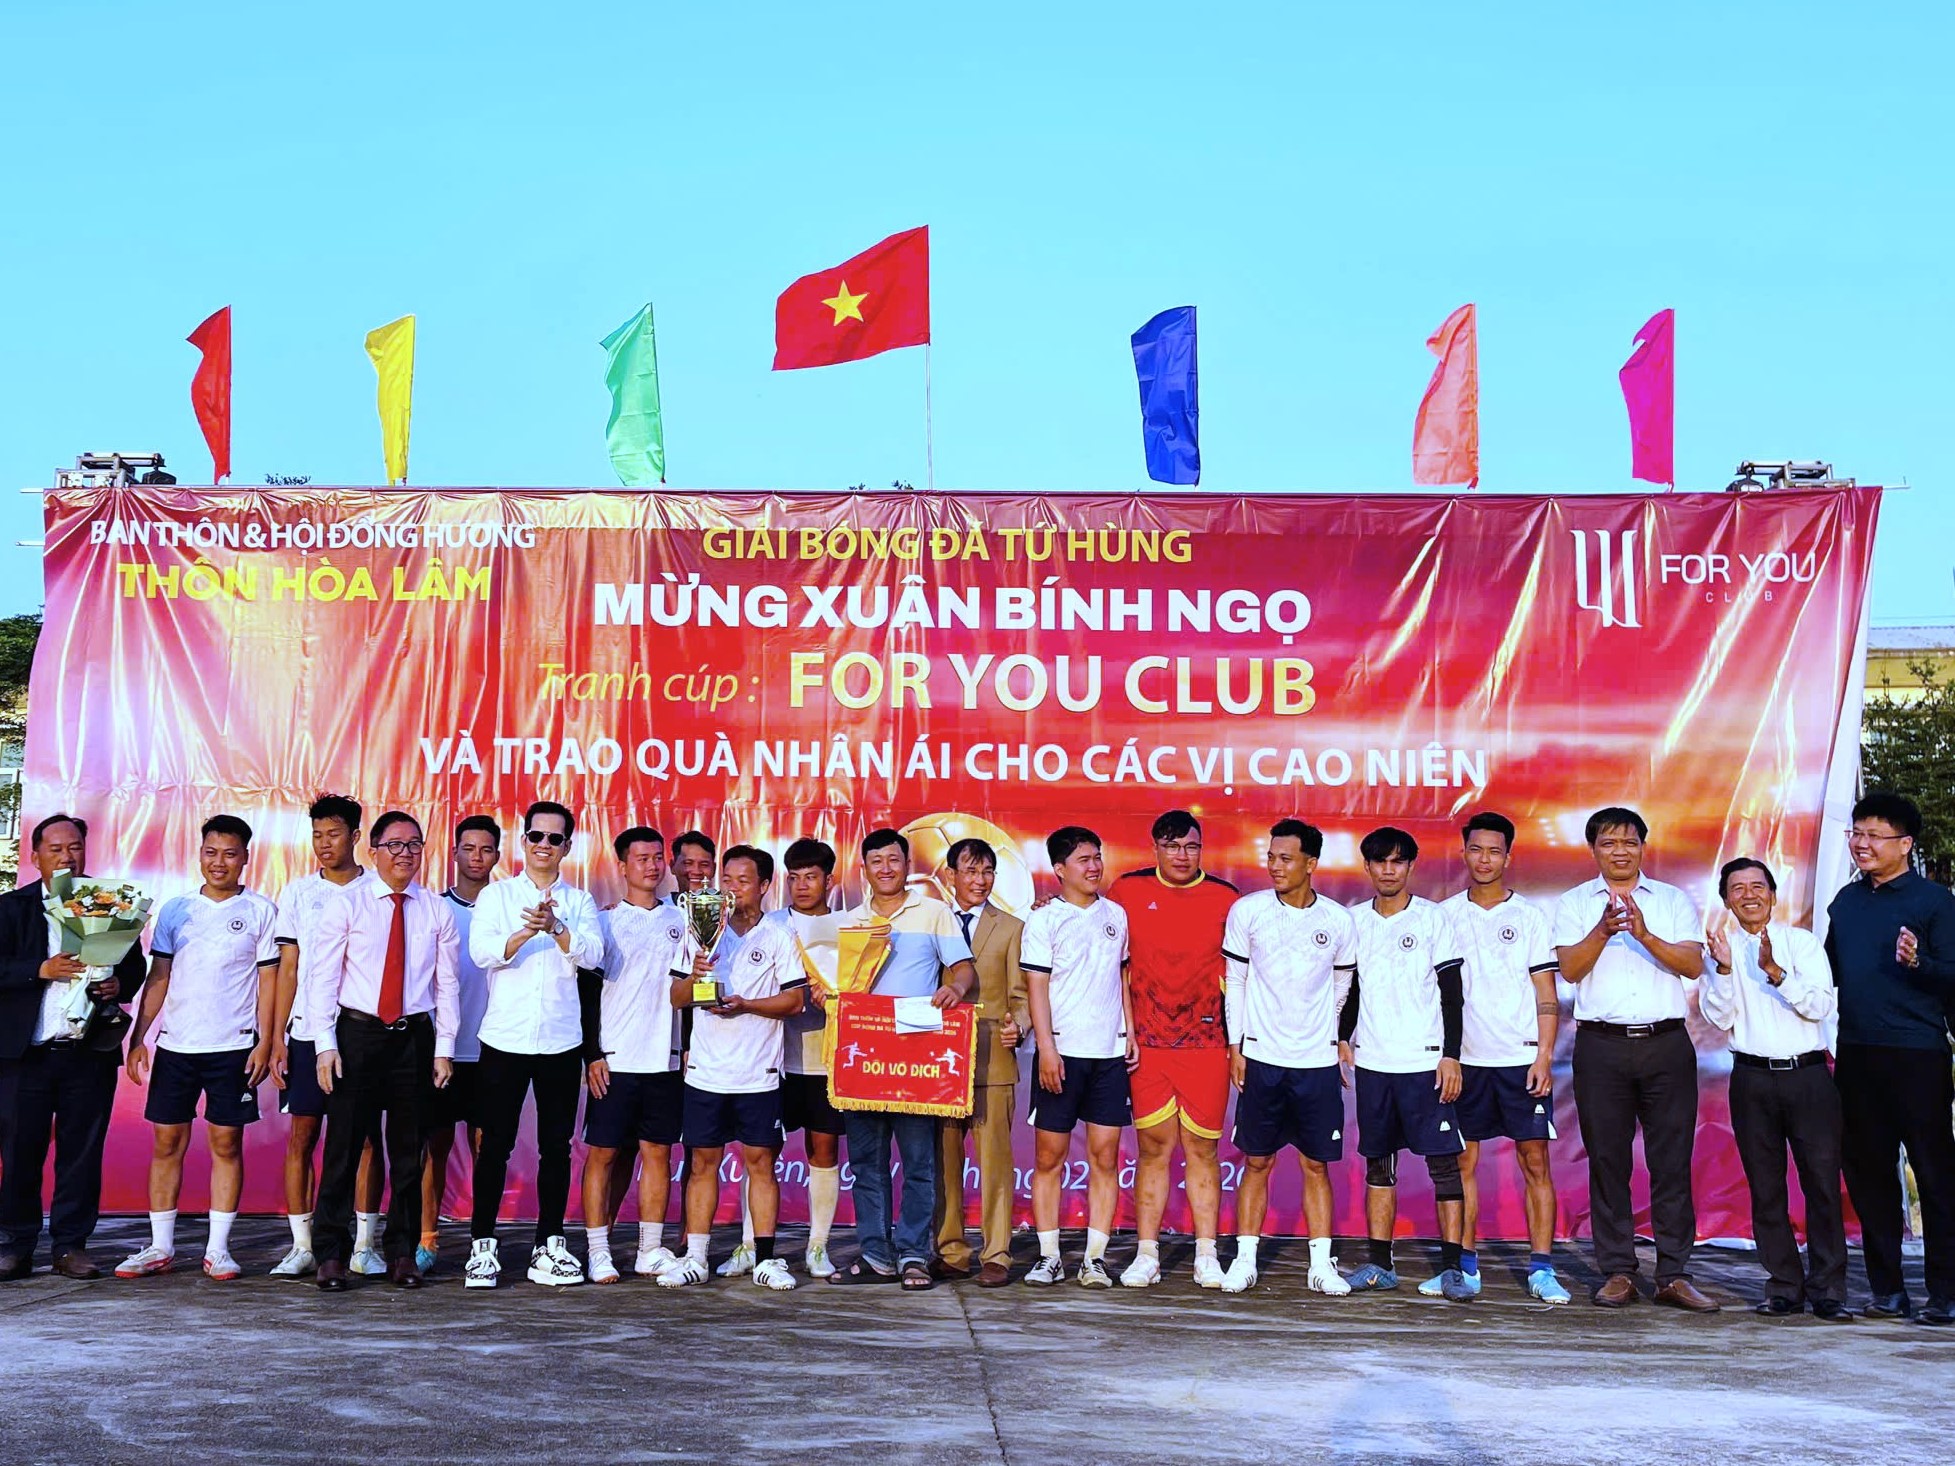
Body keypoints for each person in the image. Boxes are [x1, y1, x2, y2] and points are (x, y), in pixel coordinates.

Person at [1552, 806, 1716, 1311]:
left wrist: (1644, 934)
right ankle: (1618, 1270)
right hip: (1601, 1046)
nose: (1619, 851)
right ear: (1594, 850)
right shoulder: (1574, 903)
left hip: (1666, 1044)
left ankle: (1674, 1274)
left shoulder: (1671, 900)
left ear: (1643, 847)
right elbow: (1570, 969)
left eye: (1629, 842)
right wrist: (1603, 931)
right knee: (1608, 1160)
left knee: (1672, 1161)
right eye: (1608, 843)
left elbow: (1692, 965)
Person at [117, 815, 280, 1281]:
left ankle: (218, 1250)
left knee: (226, 1142)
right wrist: (139, 1037)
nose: (219, 862)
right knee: (167, 1142)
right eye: (211, 852)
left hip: (234, 1046)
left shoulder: (260, 911)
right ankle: (160, 1247)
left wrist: (267, 1042)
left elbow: (269, 982)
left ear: (245, 857)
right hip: (177, 1047)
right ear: (200, 854)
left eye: (229, 853)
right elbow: (159, 975)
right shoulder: (176, 909)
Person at [308, 812, 461, 1291]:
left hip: (413, 1039)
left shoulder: (435, 909)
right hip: (357, 1036)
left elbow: (447, 985)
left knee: (409, 1154)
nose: (405, 854)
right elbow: (322, 977)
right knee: (344, 1149)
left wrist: (444, 1049)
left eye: (414, 845)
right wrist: (325, 1045)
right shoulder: (348, 904)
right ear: (373, 850)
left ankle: (402, 1254)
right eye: (394, 844)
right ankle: (331, 1254)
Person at [0, 815, 147, 1280]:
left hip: (87, 1053)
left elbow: (135, 967)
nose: (67, 857)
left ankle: (70, 1246)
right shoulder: (11, 908)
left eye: (75, 847)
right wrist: (39, 970)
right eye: (56, 849)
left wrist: (118, 985)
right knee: (19, 1152)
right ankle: (15, 1245)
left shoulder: (108, 904)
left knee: (81, 1153)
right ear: (35, 856)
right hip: (26, 1055)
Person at [1827, 791, 1955, 1323]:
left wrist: (1920, 962)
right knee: (1868, 1174)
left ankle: (1945, 1293)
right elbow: (1829, 974)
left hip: (1917, 1055)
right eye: (1856, 833)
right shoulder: (1845, 902)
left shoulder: (1935, 902)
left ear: (1904, 844)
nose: (1862, 843)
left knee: (1934, 1173)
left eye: (1874, 835)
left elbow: (1952, 974)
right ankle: (1887, 1290)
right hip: (1857, 1053)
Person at [464, 800, 603, 1289]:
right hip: (504, 1038)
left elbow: (594, 956)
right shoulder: (497, 896)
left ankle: (550, 1243)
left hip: (561, 1041)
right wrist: (527, 930)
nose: (545, 845)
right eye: (537, 836)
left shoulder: (580, 901)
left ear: (567, 846)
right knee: (494, 1145)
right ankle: (482, 1246)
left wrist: (558, 928)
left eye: (554, 838)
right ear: (524, 841)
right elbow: (482, 953)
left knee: (556, 1148)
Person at [1701, 857, 1848, 1320]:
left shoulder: (1801, 943)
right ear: (1726, 900)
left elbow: (1820, 1006)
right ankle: (1784, 1286)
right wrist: (1725, 971)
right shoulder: (1720, 951)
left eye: (1757, 886)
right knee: (1765, 1187)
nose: (1749, 895)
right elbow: (1718, 1018)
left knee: (1821, 1184)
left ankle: (1829, 1289)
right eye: (1738, 888)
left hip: (1808, 1076)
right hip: (1751, 1078)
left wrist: (1777, 973)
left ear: (1772, 893)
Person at [828, 828, 975, 1290]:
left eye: (894, 860)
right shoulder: (848, 922)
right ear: (864, 869)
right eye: (877, 861)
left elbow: (963, 968)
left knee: (918, 1164)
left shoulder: (933, 912)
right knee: (866, 1163)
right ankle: (876, 1254)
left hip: (916, 1057)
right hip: (862, 1059)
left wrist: (956, 987)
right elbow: (834, 984)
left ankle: (913, 1254)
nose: (886, 868)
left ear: (907, 866)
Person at [1219, 818, 1356, 1297]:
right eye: (1271, 857)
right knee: (1257, 1162)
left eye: (1286, 858)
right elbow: (1235, 982)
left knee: (1316, 1165)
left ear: (1310, 863)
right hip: (1262, 1059)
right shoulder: (1248, 912)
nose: (1275, 866)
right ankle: (1245, 1260)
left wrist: (1329, 1037)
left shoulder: (1337, 920)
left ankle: (1320, 1265)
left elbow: (1342, 988)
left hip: (1316, 1065)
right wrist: (1237, 1045)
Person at [659, 845, 804, 1291]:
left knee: (760, 1163)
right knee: (703, 1163)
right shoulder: (700, 929)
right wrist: (695, 974)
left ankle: (765, 1258)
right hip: (706, 1071)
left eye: (743, 881)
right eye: (727, 880)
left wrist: (747, 1005)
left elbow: (795, 1001)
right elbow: (677, 998)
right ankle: (696, 1257)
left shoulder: (778, 935)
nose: (733, 889)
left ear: (764, 886)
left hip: (758, 1073)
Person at [1439, 812, 1569, 1304]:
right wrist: (1446, 1055)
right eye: (1476, 849)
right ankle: (1466, 1267)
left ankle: (1542, 1269)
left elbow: (1546, 994)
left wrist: (1544, 1056)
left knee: (1535, 1161)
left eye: (1494, 851)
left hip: (1520, 1060)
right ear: (1464, 853)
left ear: (1508, 857)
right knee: (1463, 1162)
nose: (1484, 859)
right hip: (1465, 1062)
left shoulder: (1530, 917)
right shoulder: (1444, 915)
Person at [1342, 827, 1474, 1302]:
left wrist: (1451, 1055)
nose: (1388, 870)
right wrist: (1342, 1038)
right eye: (1380, 862)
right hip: (1374, 1063)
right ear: (1368, 867)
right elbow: (1351, 990)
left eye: (1397, 861)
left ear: (1411, 866)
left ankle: (1453, 1269)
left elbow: (1452, 994)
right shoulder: (1354, 922)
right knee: (1379, 1165)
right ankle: (1380, 1265)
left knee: (1444, 1166)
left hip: (1425, 1063)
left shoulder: (1433, 919)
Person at [1107, 810, 1236, 1289]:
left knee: (1203, 1150)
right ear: (1155, 848)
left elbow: (1243, 976)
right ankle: (1147, 1255)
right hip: (1148, 1046)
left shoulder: (1226, 898)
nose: (1182, 855)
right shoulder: (1127, 891)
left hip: (1207, 1045)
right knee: (1153, 1149)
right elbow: (1096, 937)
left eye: (1191, 846)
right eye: (1172, 846)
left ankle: (1207, 1255)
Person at [268, 794, 384, 1279]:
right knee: (303, 1134)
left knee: (366, 1139)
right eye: (317, 835)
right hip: (307, 1031)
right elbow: (288, 968)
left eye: (333, 834)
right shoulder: (298, 893)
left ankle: (364, 1245)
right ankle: (303, 1246)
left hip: (362, 1033)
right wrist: (276, 1037)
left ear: (355, 837)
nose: (324, 844)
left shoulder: (380, 889)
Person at [1023, 825, 1134, 1288]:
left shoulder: (1117, 916)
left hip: (1108, 1055)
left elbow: (1122, 978)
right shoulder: (1044, 920)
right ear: (1059, 869)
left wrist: (1130, 1032)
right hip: (1061, 1055)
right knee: (1049, 1157)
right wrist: (1047, 1048)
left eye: (1097, 857)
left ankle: (1094, 1259)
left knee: (1105, 1157)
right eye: (1083, 860)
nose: (1094, 867)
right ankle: (1049, 1256)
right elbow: (1036, 988)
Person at [580, 826, 687, 1283]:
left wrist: (686, 1047)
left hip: (664, 1059)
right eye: (641, 858)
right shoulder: (602, 923)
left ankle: (649, 1249)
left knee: (657, 1153)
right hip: (615, 1060)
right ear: (622, 866)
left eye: (658, 857)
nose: (652, 865)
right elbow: (586, 996)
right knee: (603, 1155)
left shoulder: (683, 920)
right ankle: (597, 1250)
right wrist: (592, 1054)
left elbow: (690, 989)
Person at [932, 836, 1030, 1287]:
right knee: (943, 1162)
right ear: (950, 875)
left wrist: (1020, 1027)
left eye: (988, 871)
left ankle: (997, 1254)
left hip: (993, 1060)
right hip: (936, 1063)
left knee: (995, 1164)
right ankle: (951, 1251)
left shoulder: (1011, 927)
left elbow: (1021, 996)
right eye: (970, 871)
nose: (980, 880)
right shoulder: (931, 921)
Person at [419, 813, 500, 1273]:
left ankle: (482, 1241)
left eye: (486, 849)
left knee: (488, 1149)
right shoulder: (434, 908)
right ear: (454, 853)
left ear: (497, 856)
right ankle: (427, 1237)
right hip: (443, 1051)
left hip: (492, 1050)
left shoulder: (508, 906)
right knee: (435, 1146)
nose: (476, 857)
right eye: (468, 848)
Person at [768, 838, 850, 1279]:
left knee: (825, 1148)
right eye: (795, 877)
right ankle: (753, 1244)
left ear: (829, 881)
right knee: (762, 1153)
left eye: (811, 877)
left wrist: (835, 998)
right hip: (772, 1057)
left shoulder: (849, 928)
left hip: (825, 1059)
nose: (802, 886)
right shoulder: (771, 925)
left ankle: (818, 1246)